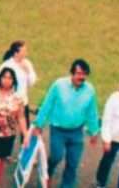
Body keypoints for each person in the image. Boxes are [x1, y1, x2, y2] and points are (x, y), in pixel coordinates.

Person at [33, 59, 100, 188]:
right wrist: (39, 124)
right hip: (58, 130)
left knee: (73, 162)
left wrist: (94, 131)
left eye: (84, 74)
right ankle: (47, 172)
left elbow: (92, 112)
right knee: (56, 157)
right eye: (79, 73)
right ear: (72, 73)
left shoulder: (90, 90)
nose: (82, 77)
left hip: (77, 131)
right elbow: (47, 104)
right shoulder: (58, 85)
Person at [0, 40, 36, 129]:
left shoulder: (27, 63)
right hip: (9, 103)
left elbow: (32, 82)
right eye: (23, 51)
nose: (26, 53)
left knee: (25, 129)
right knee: (8, 128)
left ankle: (24, 143)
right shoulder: (6, 66)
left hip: (23, 102)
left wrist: (27, 71)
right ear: (16, 53)